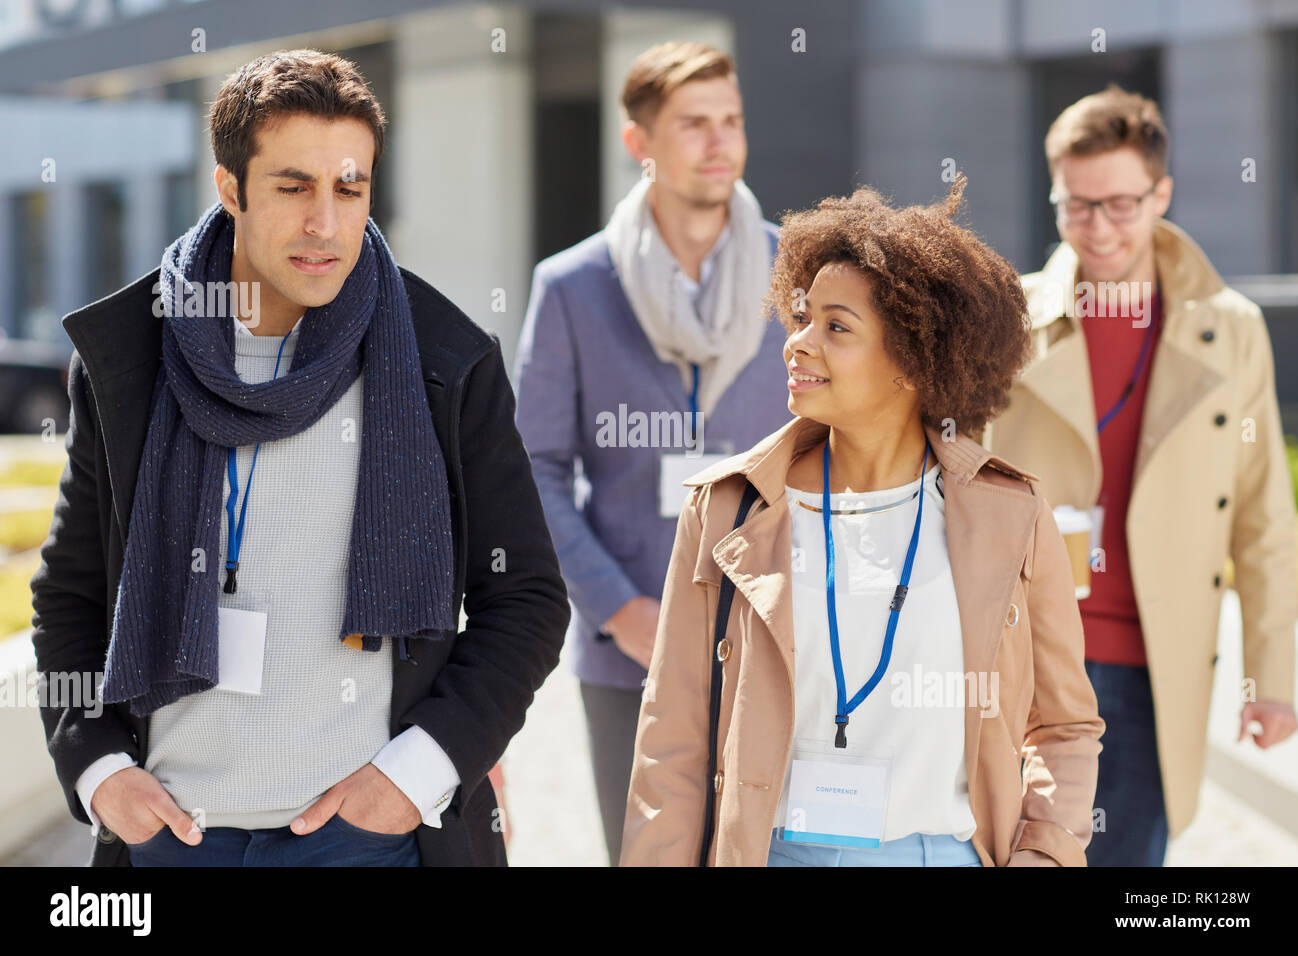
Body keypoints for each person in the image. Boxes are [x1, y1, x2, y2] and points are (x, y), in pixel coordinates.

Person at [28, 49, 569, 867]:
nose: (325, 222)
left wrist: (413, 776)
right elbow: (70, 594)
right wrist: (100, 770)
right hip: (172, 837)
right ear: (230, 189)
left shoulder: (442, 360)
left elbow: (526, 599)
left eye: (348, 189)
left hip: (366, 841)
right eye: (293, 187)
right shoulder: (130, 359)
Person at [620, 175, 1104, 867]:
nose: (798, 343)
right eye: (802, 318)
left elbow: (1063, 725)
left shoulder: (1014, 515)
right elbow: (671, 739)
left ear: (915, 358)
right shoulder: (726, 508)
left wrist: (1046, 853)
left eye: (836, 327)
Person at [984, 85, 1298, 866]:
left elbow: (1263, 518)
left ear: (1161, 193)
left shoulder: (1230, 331)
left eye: (1121, 204)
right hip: (1026, 659)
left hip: (1154, 668)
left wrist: (1274, 676)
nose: (1100, 229)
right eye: (1077, 206)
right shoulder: (1007, 320)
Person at [513, 41, 790, 865]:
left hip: (777, 632)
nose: (719, 143)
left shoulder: (798, 274)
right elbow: (532, 466)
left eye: (731, 121)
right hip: (628, 647)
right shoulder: (572, 287)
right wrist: (615, 607)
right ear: (639, 143)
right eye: (693, 124)